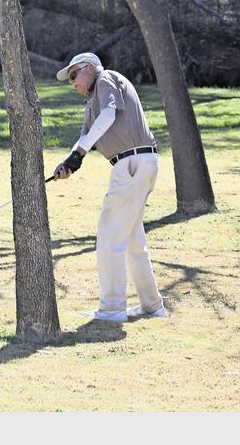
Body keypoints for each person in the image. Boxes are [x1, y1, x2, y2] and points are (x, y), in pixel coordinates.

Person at [53, 52, 167, 322]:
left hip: (131, 164)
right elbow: (85, 137)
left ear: (91, 68)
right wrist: (69, 162)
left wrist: (79, 153)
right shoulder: (91, 102)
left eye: (74, 74)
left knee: (109, 233)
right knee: (132, 240)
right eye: (69, 79)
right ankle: (152, 306)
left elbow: (108, 116)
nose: (72, 82)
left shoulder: (106, 79)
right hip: (137, 164)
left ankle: (112, 309)